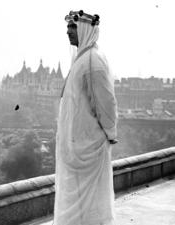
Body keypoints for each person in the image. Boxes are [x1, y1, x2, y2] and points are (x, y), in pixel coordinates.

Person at [54, 10, 118, 225]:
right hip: (77, 144)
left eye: (73, 27)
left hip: (89, 144)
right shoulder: (81, 60)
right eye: (68, 27)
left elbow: (106, 104)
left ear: (85, 30)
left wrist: (109, 133)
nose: (68, 32)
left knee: (91, 201)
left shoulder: (93, 61)